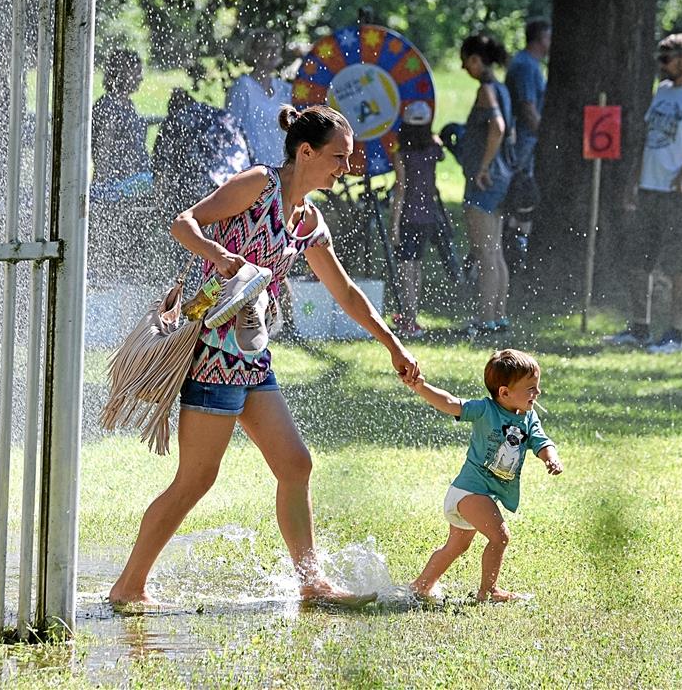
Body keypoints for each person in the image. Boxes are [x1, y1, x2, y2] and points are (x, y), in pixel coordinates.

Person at [108, 104, 421, 608]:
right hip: (212, 352)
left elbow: (344, 293)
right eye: (338, 157)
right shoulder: (258, 185)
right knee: (195, 480)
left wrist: (393, 344)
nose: (345, 167)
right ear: (305, 152)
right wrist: (218, 255)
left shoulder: (309, 220)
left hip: (251, 356)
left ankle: (312, 583)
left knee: (295, 466)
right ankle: (129, 587)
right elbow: (184, 223)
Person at [404, 348, 562, 603]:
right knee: (500, 537)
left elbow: (542, 442)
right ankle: (488, 592)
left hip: (475, 495)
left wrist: (551, 458)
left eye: (537, 386)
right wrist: (422, 387)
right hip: (470, 491)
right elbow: (450, 403)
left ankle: (420, 586)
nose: (538, 393)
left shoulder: (529, 417)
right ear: (504, 392)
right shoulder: (484, 410)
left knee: (456, 547)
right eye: (531, 388)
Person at [606, 33, 682, 354]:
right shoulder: (664, 91)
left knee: (678, 263)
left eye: (666, 59)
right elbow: (648, 138)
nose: (661, 65)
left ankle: (675, 333)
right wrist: (634, 179)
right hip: (649, 188)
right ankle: (639, 328)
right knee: (638, 259)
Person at [457, 34, 514, 338]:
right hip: (503, 178)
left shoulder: (486, 90)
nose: (463, 66)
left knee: (485, 253)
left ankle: (484, 319)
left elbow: (498, 128)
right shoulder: (502, 89)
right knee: (497, 252)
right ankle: (499, 316)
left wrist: (482, 167)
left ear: (477, 60)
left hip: (485, 181)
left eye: (465, 60)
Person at [89, 48, 156, 285]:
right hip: (116, 188)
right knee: (114, 245)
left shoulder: (127, 105)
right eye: (134, 72)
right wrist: (104, 186)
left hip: (131, 185)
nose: (139, 78)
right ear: (119, 72)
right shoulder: (107, 106)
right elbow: (102, 150)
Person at [389, 100, 447, 339]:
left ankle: (409, 319)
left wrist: (394, 224)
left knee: (405, 267)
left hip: (408, 216)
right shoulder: (433, 151)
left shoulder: (401, 155)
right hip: (428, 215)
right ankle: (412, 316)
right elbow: (440, 145)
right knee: (417, 265)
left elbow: (401, 190)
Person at [503, 18, 551, 273]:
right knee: (519, 194)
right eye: (548, 37)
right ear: (539, 38)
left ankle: (514, 248)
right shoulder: (526, 66)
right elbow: (527, 108)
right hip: (522, 142)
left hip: (525, 141)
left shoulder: (529, 64)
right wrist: (546, 137)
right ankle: (511, 251)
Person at [226, 29, 293, 167]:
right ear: (255, 53)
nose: (273, 52)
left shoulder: (285, 89)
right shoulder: (242, 87)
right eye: (268, 48)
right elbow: (230, 129)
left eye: (276, 47)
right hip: (252, 168)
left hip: (282, 168)